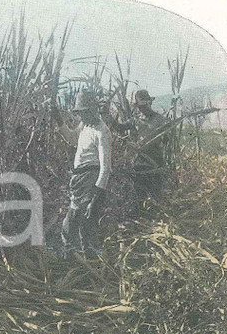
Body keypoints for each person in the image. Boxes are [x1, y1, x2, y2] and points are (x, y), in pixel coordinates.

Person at [60, 91, 113, 258]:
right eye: (80, 112)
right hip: (79, 180)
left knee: (85, 221)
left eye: (84, 112)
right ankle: (73, 256)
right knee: (74, 219)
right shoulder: (84, 126)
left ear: (92, 110)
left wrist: (96, 196)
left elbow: (106, 168)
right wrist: (58, 121)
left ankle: (90, 259)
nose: (81, 116)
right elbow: (71, 138)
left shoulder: (102, 131)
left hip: (91, 180)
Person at [121, 89, 169, 205]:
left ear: (150, 103)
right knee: (139, 190)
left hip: (155, 159)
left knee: (156, 192)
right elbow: (119, 127)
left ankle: (157, 209)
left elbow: (166, 139)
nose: (143, 108)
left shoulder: (160, 119)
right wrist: (107, 117)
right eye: (140, 106)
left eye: (145, 105)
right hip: (140, 160)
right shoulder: (136, 120)